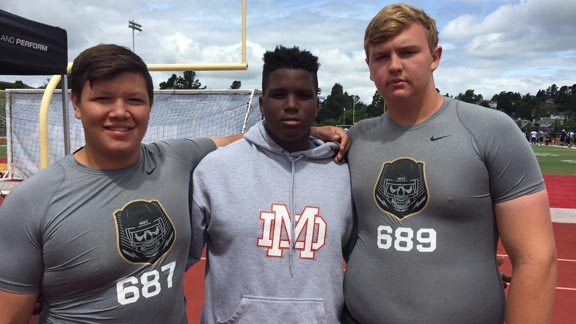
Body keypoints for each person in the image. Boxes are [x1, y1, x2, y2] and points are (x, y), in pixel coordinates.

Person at [341, 4, 557, 324]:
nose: (395, 65)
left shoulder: (491, 130)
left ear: (435, 57)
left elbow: (537, 258)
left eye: (408, 52)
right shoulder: (356, 140)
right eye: (382, 56)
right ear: (369, 68)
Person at [0, 44, 242, 323]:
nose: (120, 112)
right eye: (103, 99)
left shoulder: (177, 159)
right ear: (76, 104)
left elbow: (239, 141)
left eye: (134, 100)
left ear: (150, 106)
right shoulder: (30, 201)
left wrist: (303, 131)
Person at [189, 45, 354, 323]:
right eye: (279, 95)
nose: (291, 105)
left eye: (303, 95)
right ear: (263, 104)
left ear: (317, 103)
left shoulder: (344, 173)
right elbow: (177, 264)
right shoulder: (215, 169)